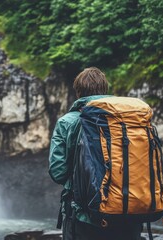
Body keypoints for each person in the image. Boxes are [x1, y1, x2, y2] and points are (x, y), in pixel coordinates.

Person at [48, 67, 142, 240]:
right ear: (105, 90)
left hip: (86, 217)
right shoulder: (132, 118)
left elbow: (58, 172)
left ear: (78, 93)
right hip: (131, 212)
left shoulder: (67, 122)